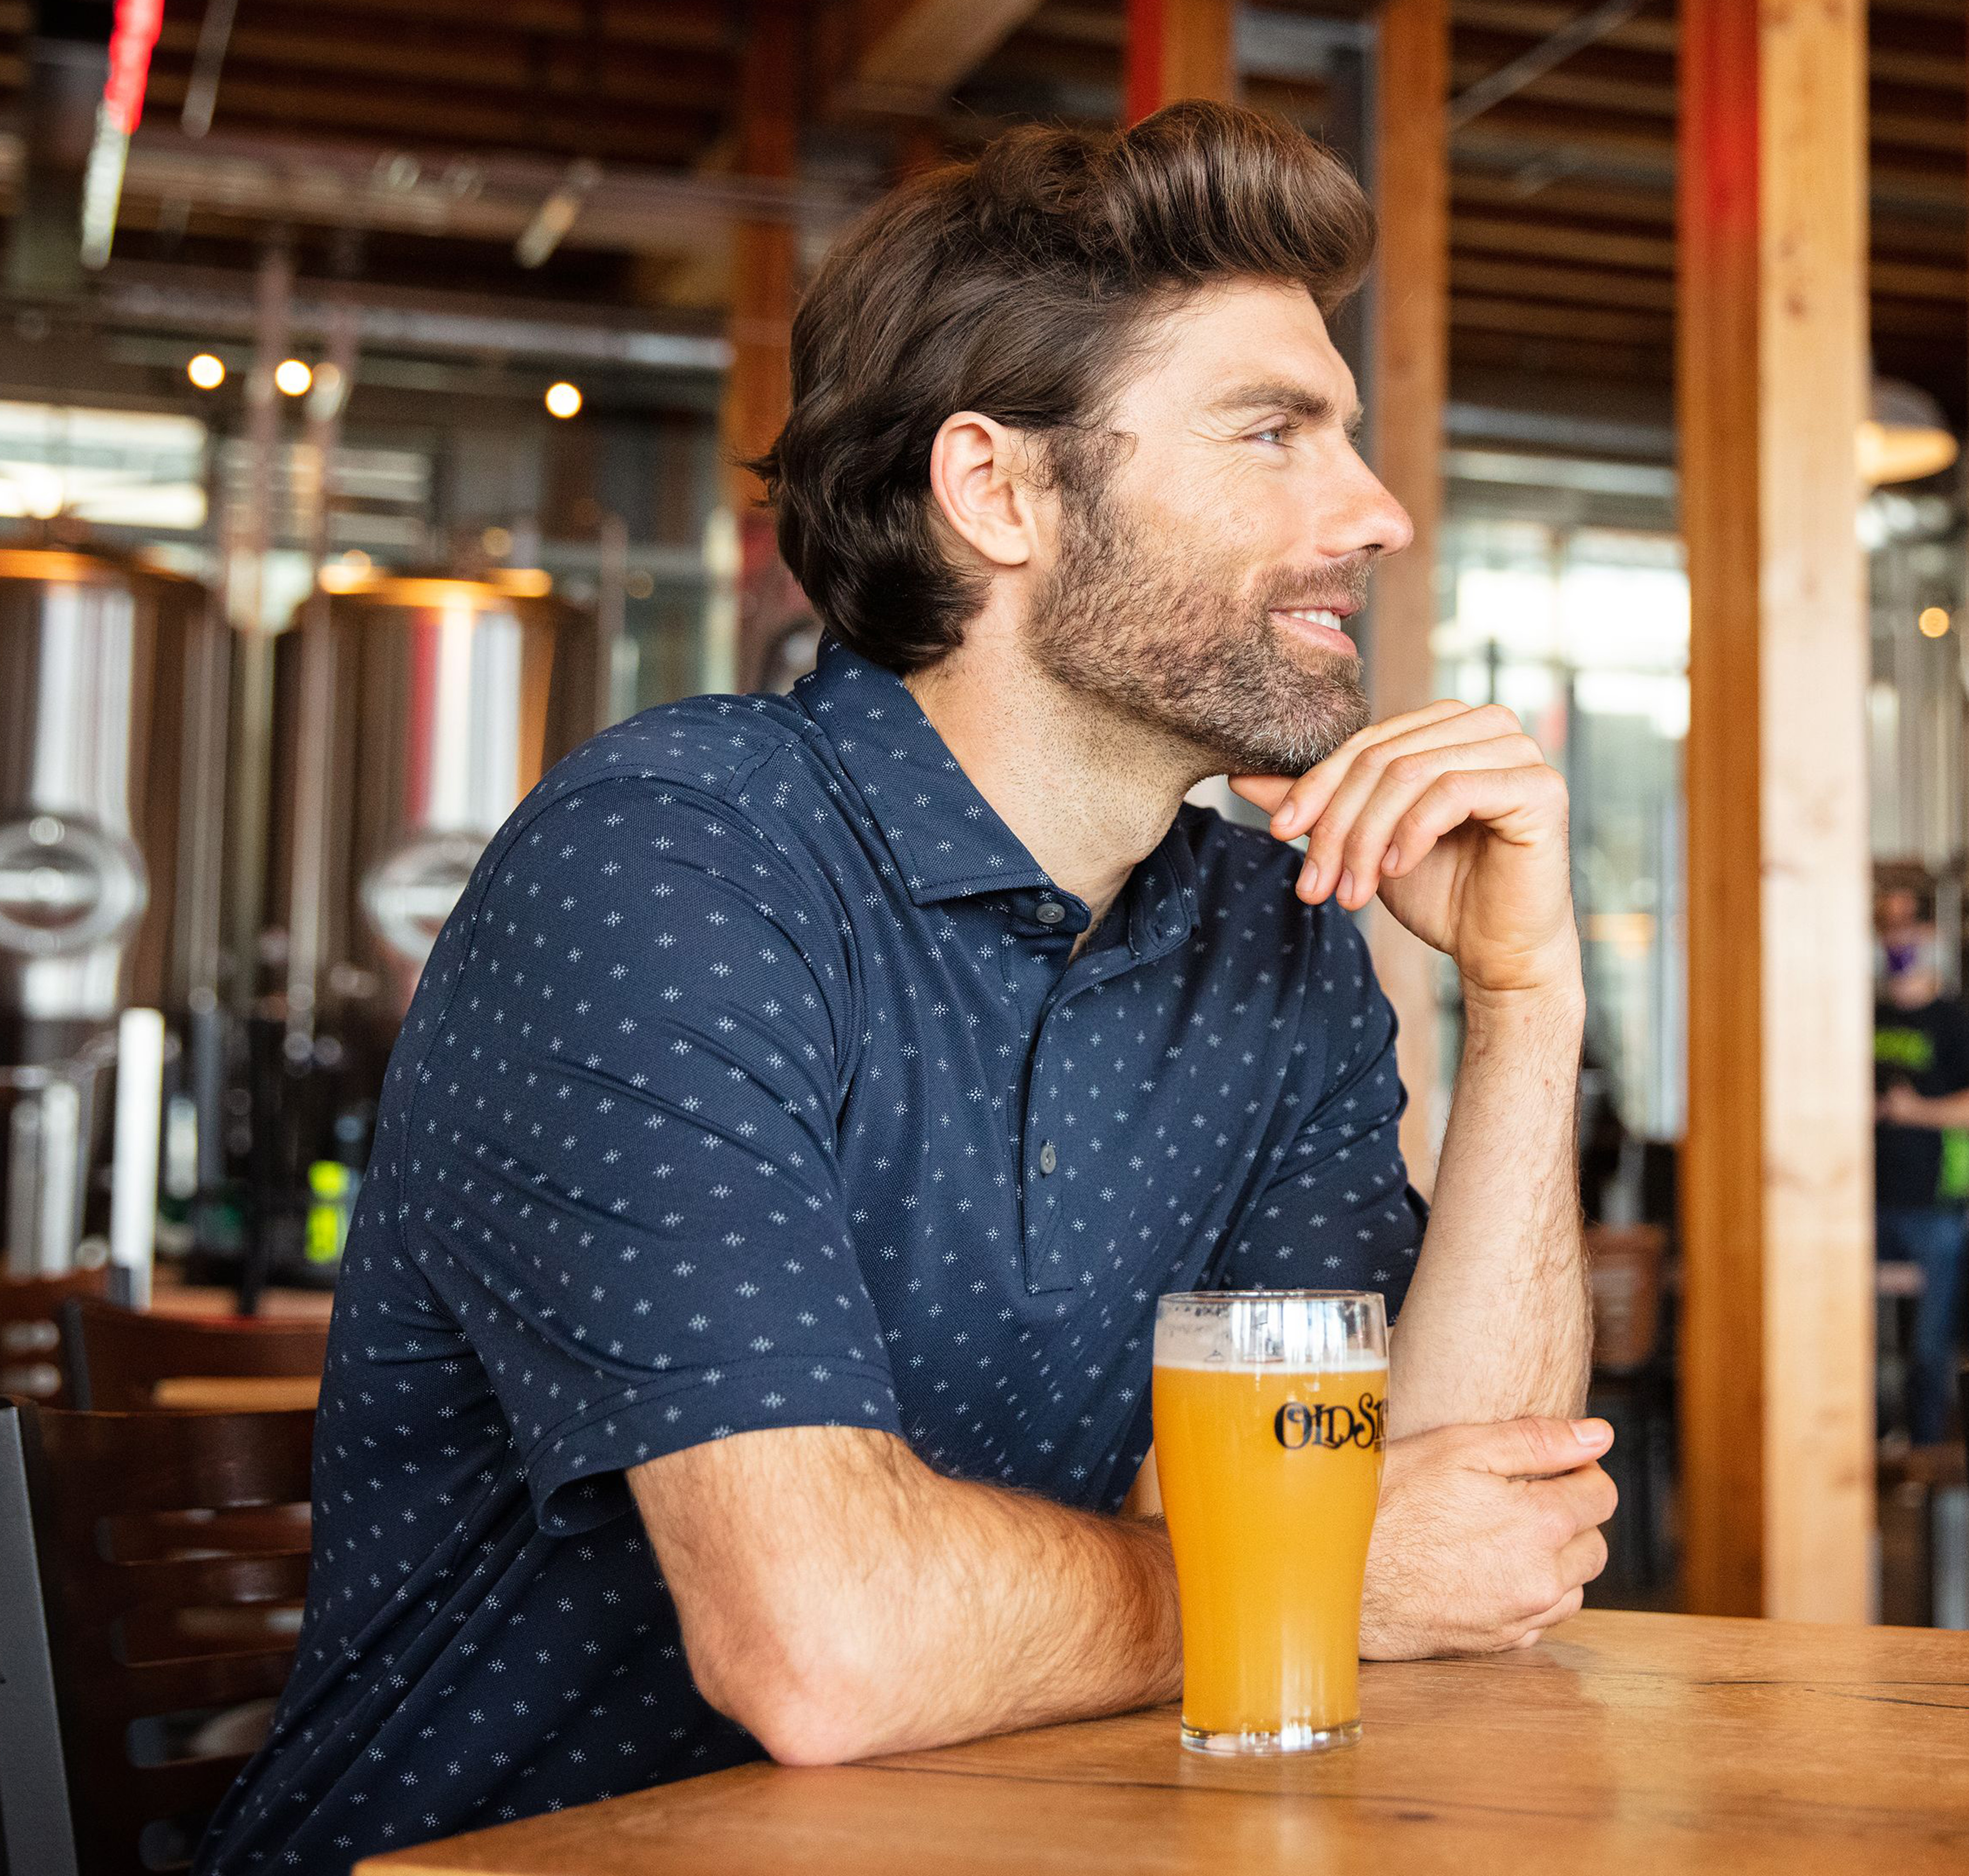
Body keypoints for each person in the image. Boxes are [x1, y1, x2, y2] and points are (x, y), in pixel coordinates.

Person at [197, 104, 1611, 1873]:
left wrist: (1523, 989)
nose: (1377, 512)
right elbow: (819, 1644)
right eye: (1273, 433)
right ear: (994, 489)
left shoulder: (1265, 933)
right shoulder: (672, 863)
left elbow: (1470, 1535)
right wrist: (1298, 1577)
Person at [1874, 886, 1969, 1445]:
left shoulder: (1953, 1020)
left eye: (1908, 924)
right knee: (1854, 1339)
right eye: (1889, 924)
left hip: (1935, 1206)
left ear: (1930, 934)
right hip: (1863, 1201)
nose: (1898, 936)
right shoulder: (1867, 1015)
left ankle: (1925, 1462)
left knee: (1929, 1348)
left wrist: (1912, 1110)